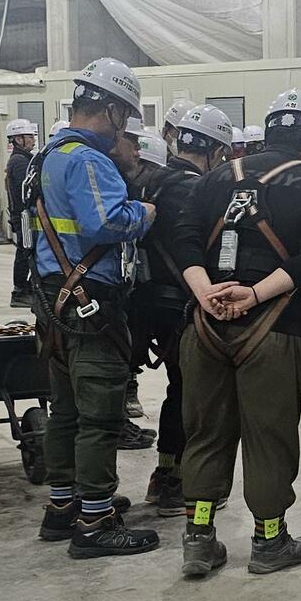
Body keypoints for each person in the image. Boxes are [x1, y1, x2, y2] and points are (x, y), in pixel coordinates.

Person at [174, 88, 301, 578]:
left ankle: (198, 539)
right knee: (269, 437)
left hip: (205, 325)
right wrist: (253, 295)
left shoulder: (213, 180)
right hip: (275, 330)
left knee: (205, 433)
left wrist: (207, 293)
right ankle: (269, 540)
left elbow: (183, 240)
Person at [26, 58, 159, 558]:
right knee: (100, 413)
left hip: (53, 298)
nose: (124, 131)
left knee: (65, 409)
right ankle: (96, 521)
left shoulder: (48, 155)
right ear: (111, 109)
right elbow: (106, 222)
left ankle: (64, 506)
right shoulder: (88, 160)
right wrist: (144, 212)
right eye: (124, 118)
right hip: (89, 302)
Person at [130, 105, 234, 516]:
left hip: (144, 301)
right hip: (182, 303)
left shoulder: (150, 180)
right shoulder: (200, 190)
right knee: (194, 392)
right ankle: (177, 482)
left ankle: (166, 474)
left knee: (180, 388)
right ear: (215, 150)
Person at [5, 118, 37, 307]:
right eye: (29, 137)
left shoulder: (25, 159)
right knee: (25, 251)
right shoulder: (19, 161)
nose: (33, 140)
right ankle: (20, 291)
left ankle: (27, 288)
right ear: (18, 139)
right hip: (23, 215)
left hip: (24, 214)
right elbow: (27, 188)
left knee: (28, 250)